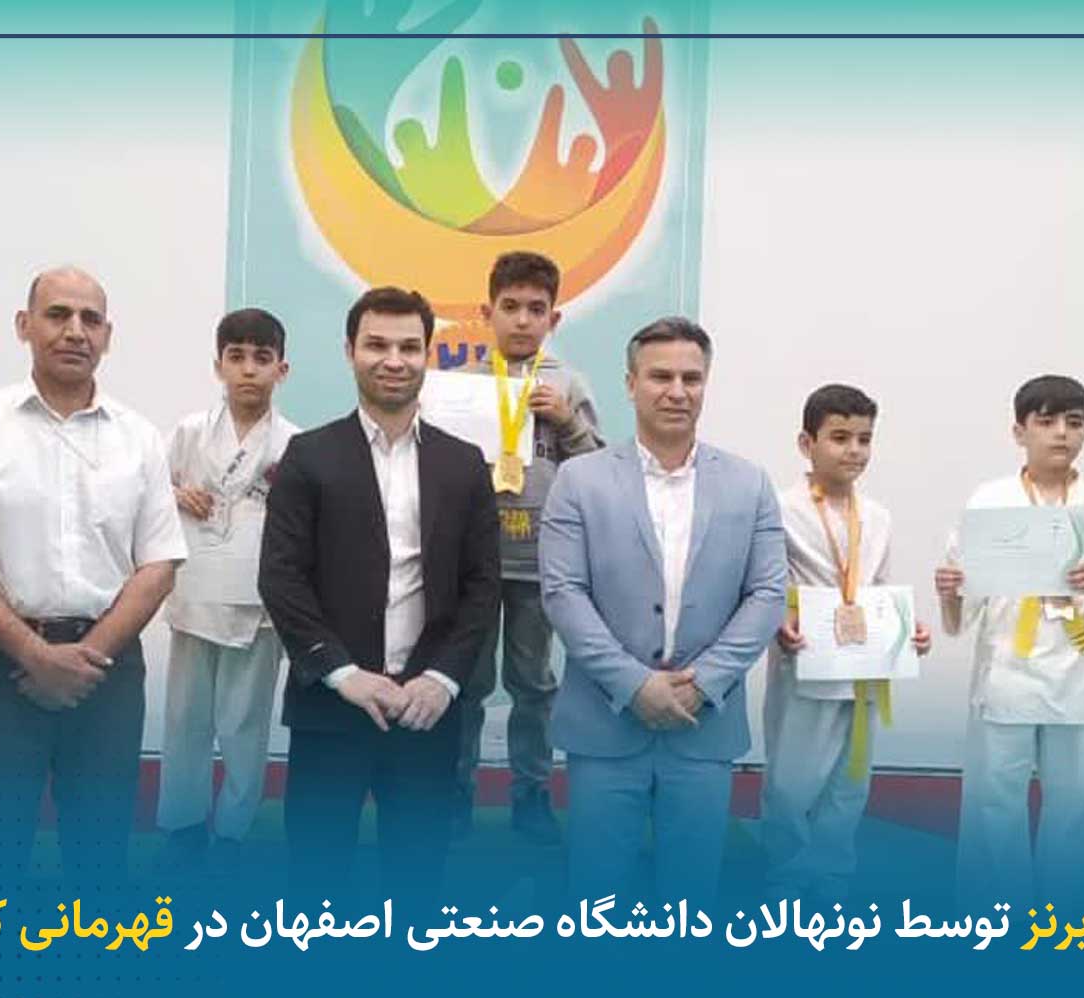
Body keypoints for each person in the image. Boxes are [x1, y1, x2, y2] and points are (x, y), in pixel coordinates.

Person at [0, 267, 185, 884]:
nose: (75, 331)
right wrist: (35, 654)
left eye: (90, 319)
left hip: (107, 674)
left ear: (108, 336)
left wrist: (85, 658)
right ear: (24, 326)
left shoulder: (140, 438)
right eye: (57, 315)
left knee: (99, 860)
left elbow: (159, 564)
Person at [259, 286, 499, 905]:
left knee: (416, 888)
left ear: (427, 356)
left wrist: (441, 680)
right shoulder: (308, 456)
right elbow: (281, 578)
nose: (393, 360)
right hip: (332, 707)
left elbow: (482, 587)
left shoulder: (465, 464)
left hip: (427, 712)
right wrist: (343, 674)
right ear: (350, 351)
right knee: (315, 886)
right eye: (377, 345)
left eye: (409, 347)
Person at [539, 316, 787, 905]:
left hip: (704, 725)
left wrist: (704, 683)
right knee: (597, 898)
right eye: (660, 377)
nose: (677, 391)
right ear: (630, 384)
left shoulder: (750, 484)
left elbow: (767, 595)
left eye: (691, 379)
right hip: (605, 726)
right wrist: (634, 685)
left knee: (690, 899)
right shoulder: (578, 481)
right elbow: (563, 593)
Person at [936, 375, 1084, 910]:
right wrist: (952, 590)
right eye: (1046, 422)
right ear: (1019, 431)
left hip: (1080, 668)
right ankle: (994, 916)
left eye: (1074, 422)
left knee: (1079, 804)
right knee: (993, 803)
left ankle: (1069, 918)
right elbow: (964, 596)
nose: (1061, 434)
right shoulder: (990, 499)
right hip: (1009, 668)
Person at [448, 251, 604, 844]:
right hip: (473, 563)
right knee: (465, 684)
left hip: (540, 562)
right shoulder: (461, 386)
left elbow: (598, 472)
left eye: (536, 309)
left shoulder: (568, 385)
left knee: (534, 685)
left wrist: (566, 422)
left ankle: (532, 794)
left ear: (553, 319)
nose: (521, 319)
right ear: (486, 312)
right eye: (509, 307)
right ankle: (455, 792)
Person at [763, 384, 931, 905]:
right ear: (806, 443)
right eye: (839, 437)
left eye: (864, 439)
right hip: (804, 656)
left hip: (864, 662)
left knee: (851, 777)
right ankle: (786, 876)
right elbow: (764, 585)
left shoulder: (876, 515)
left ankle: (832, 873)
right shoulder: (779, 509)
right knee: (792, 780)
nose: (854, 450)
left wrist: (907, 631)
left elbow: (878, 588)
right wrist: (778, 620)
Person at [154, 308, 300, 874]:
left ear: (281, 369)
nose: (248, 370)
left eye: (262, 358)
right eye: (236, 357)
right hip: (195, 591)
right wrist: (174, 494)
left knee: (244, 724)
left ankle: (233, 829)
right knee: (184, 717)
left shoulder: (294, 443)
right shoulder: (190, 432)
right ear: (218, 365)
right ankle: (182, 823)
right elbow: (147, 490)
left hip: (257, 601)